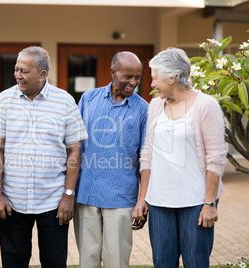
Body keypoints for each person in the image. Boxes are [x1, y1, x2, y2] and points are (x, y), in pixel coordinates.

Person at [0, 46, 88, 268]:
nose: (17, 75)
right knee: (13, 263)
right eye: (16, 69)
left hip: (53, 202)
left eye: (24, 71)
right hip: (12, 201)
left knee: (54, 262)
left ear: (43, 74)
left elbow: (74, 150)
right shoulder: (5, 100)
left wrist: (68, 196)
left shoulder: (64, 101)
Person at [132, 48, 227, 267]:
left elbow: (216, 158)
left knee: (195, 261)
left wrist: (209, 203)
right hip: (159, 201)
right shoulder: (156, 106)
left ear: (172, 77)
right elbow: (147, 155)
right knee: (162, 262)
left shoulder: (206, 105)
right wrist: (142, 198)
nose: (152, 84)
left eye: (155, 78)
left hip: (195, 201)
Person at [74, 52, 149, 268]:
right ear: (113, 73)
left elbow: (146, 159)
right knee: (87, 259)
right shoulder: (88, 99)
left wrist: (141, 201)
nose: (133, 82)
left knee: (116, 260)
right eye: (128, 76)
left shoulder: (143, 109)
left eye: (138, 77)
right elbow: (75, 146)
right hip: (86, 193)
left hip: (121, 197)